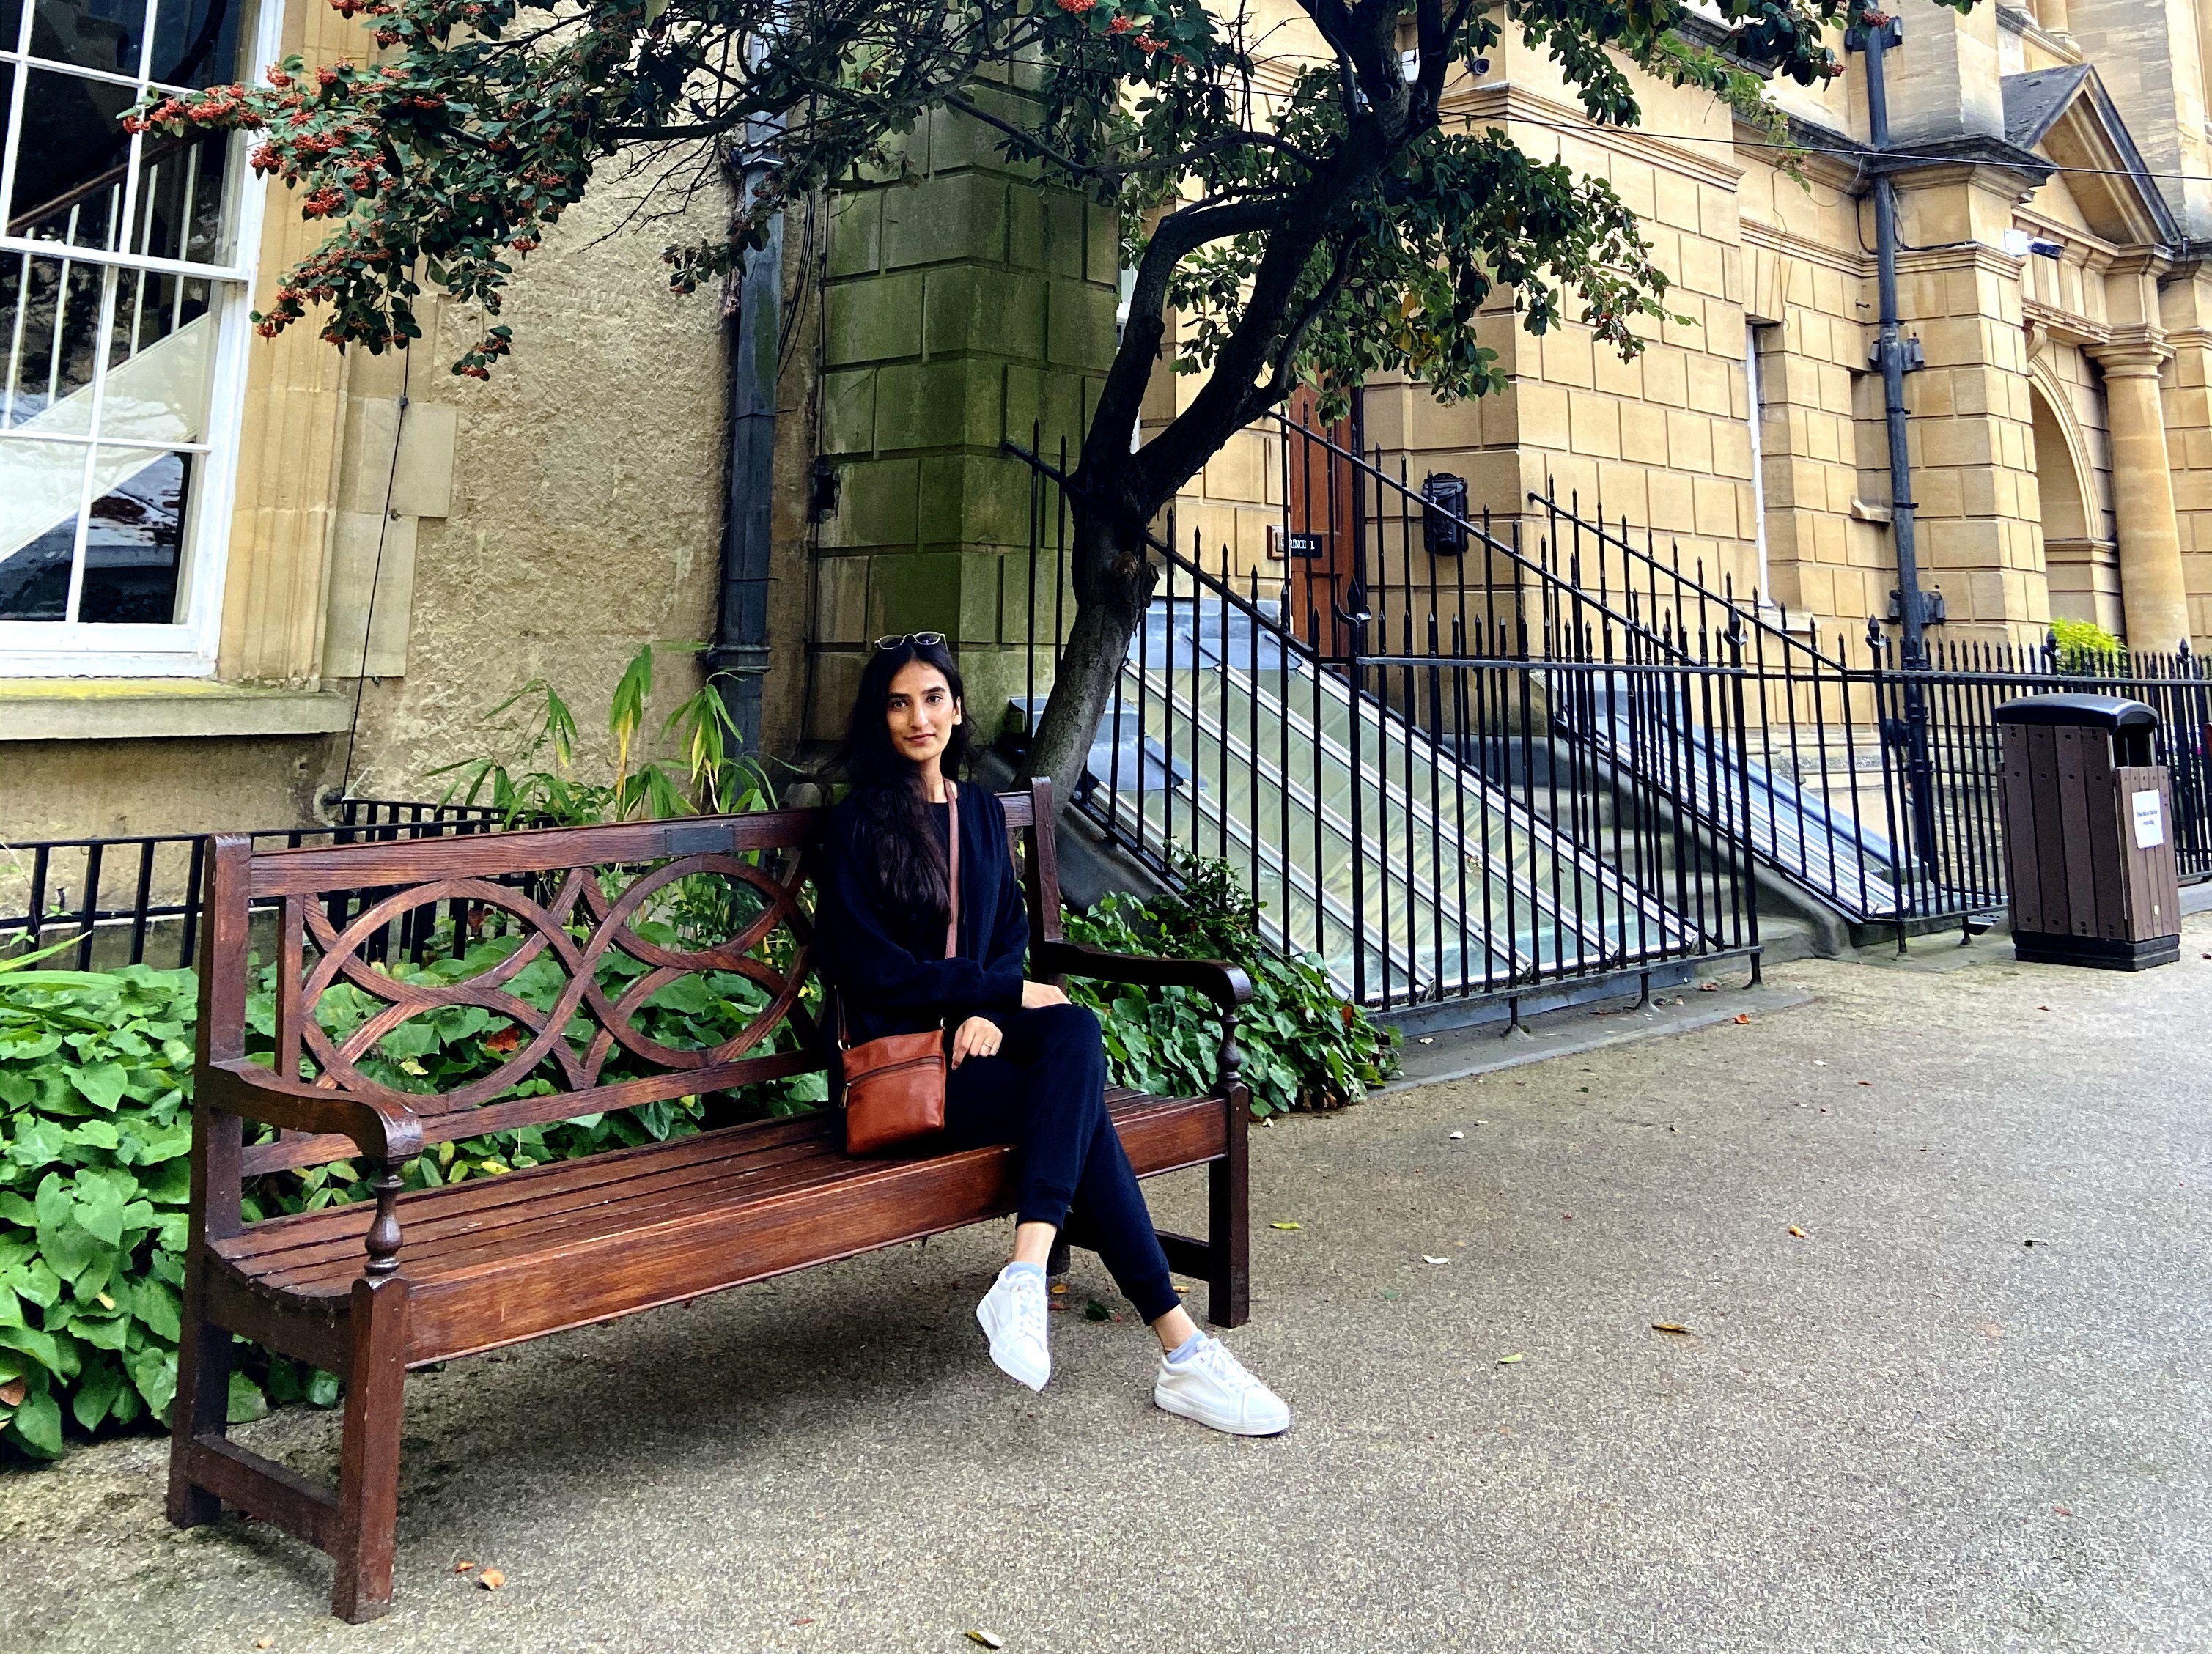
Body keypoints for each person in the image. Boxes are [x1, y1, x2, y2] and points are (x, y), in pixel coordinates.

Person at [816, 632, 1291, 1436]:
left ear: (957, 710)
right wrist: (996, 993)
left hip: (976, 1056)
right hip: (903, 1077)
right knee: (1081, 1108)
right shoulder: (860, 823)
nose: (918, 718)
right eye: (898, 703)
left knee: (1072, 1030)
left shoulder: (976, 812)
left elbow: (1006, 932)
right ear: (880, 717)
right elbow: (872, 971)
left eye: (932, 699)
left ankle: (1028, 1273)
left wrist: (990, 1013)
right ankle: (1178, 1348)